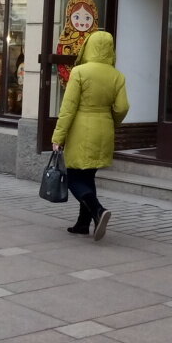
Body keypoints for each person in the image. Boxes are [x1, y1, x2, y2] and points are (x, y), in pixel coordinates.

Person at [50, 30, 129, 241]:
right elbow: (122, 107)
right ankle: (83, 224)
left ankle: (98, 210)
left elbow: (68, 108)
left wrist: (58, 137)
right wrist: (111, 121)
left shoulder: (79, 72)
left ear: (88, 46)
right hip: (104, 129)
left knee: (72, 178)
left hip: (81, 130)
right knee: (88, 176)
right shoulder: (117, 76)